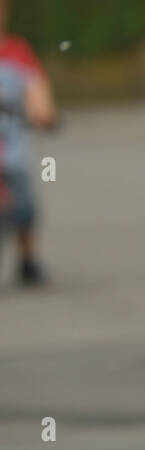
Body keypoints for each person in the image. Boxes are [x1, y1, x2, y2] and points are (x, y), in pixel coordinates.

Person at [0, 0, 57, 286]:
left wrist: (43, 112)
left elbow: (36, 87)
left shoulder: (17, 52)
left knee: (24, 205)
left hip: (11, 148)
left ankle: (28, 258)